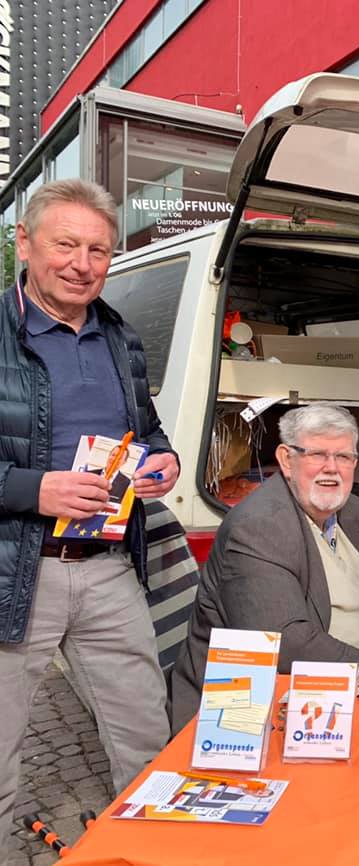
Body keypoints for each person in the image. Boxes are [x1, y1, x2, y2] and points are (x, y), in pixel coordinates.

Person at [0, 179, 180, 863]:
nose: (82, 263)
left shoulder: (119, 337)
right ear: (25, 243)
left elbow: (149, 431)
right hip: (16, 568)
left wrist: (161, 461)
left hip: (108, 568)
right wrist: (31, 489)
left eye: (98, 249)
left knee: (146, 737)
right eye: (66, 244)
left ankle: (151, 854)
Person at [170, 403, 359, 733]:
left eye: (344, 457)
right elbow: (288, 644)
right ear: (286, 459)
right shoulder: (259, 526)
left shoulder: (355, 511)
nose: (331, 469)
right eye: (317, 455)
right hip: (282, 699)